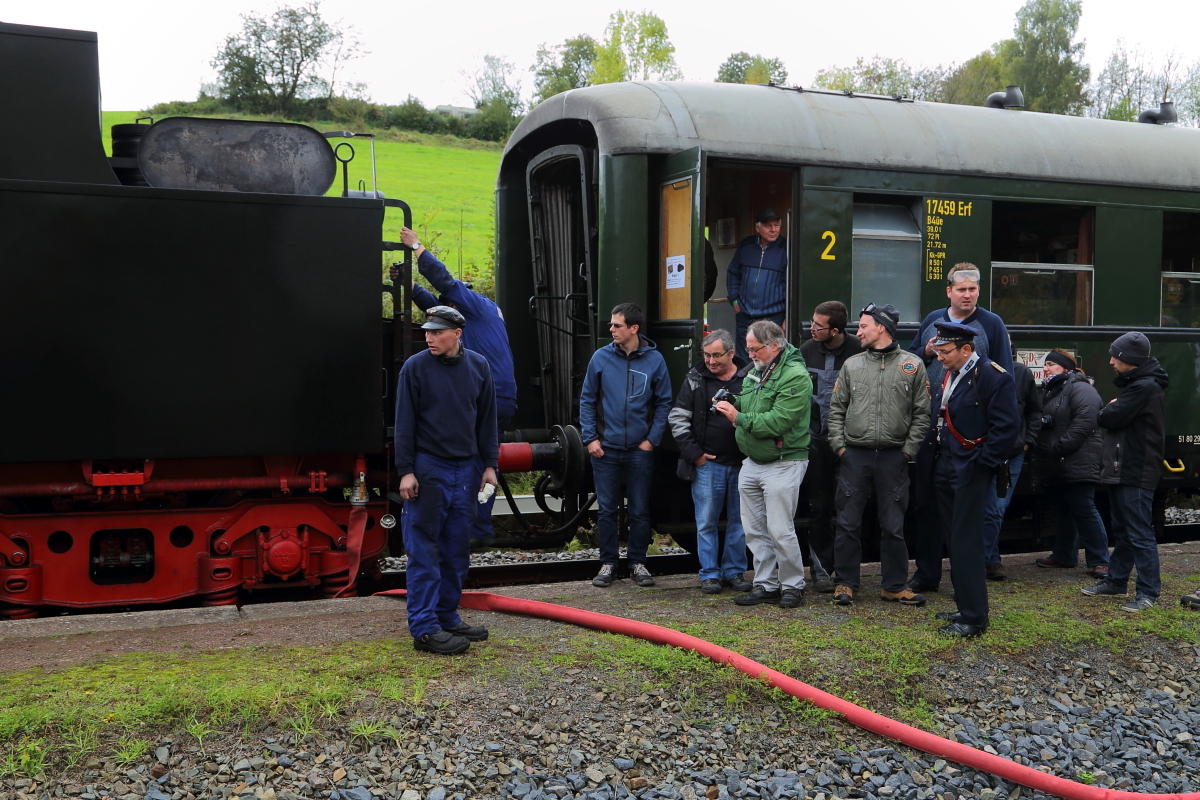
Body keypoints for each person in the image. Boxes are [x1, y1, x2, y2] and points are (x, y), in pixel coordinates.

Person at [397, 227, 517, 542]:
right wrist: (409, 287)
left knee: (469, 460)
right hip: (497, 393)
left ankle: (468, 530)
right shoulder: (481, 313)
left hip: (486, 392)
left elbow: (444, 284)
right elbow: (436, 308)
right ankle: (474, 530)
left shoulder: (476, 305)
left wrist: (417, 247)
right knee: (479, 460)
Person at [394, 306, 499, 655]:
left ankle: (445, 615)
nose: (428, 337)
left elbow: (486, 422)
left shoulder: (479, 367)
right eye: (427, 331)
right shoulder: (415, 368)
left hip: (465, 470)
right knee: (424, 549)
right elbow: (404, 423)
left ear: (457, 333)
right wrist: (406, 470)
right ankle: (424, 629)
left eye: (437, 331)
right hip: (429, 468)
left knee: (456, 549)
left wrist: (489, 465)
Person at [913, 321, 1018, 637]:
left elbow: (1006, 430)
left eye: (945, 351)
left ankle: (974, 618)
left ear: (966, 349)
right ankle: (964, 606)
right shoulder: (952, 372)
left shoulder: (993, 377)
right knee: (953, 538)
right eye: (939, 350)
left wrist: (981, 464)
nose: (939, 357)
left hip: (970, 469)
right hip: (944, 465)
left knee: (967, 543)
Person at [826, 304, 930, 607]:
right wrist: (840, 448)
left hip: (893, 457)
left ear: (881, 328)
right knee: (847, 522)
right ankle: (844, 583)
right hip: (854, 456)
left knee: (894, 524)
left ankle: (894, 585)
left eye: (863, 326)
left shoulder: (912, 365)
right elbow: (836, 410)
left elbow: (922, 414)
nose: (857, 332)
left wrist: (907, 451)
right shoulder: (852, 365)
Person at [714, 320, 812, 608]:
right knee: (755, 529)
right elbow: (750, 405)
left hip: (784, 461)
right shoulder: (758, 370)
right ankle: (766, 584)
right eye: (747, 348)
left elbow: (778, 421)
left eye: (754, 349)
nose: (750, 354)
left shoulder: (795, 375)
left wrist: (736, 417)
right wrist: (731, 403)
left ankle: (793, 586)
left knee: (781, 529)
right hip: (754, 461)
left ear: (773, 345)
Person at [579, 303, 673, 589]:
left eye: (617, 325)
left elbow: (664, 402)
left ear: (634, 328)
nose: (611, 329)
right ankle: (608, 563)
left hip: (638, 450)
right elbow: (586, 399)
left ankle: (637, 563)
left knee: (640, 509)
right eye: (611, 324)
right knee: (607, 509)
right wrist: (590, 438)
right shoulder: (601, 358)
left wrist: (651, 440)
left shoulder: (655, 360)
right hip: (605, 449)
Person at [1083, 332, 1169, 612]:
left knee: (1139, 532)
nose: (1110, 361)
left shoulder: (1143, 388)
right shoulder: (1139, 385)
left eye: (1115, 356)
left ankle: (1147, 593)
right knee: (1123, 529)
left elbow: (1108, 417)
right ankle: (1116, 581)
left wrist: (1111, 408)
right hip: (1126, 467)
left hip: (1135, 467)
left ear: (1129, 359)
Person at [669, 330, 753, 594]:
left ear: (731, 353)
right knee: (706, 521)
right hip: (708, 465)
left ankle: (735, 572)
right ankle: (709, 575)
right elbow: (677, 418)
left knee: (740, 522)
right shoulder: (695, 380)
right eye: (706, 355)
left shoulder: (750, 378)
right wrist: (696, 455)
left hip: (744, 464)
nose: (711, 361)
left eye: (717, 355)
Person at [799, 300, 864, 593]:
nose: (811, 328)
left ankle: (847, 572)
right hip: (816, 442)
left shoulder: (859, 351)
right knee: (819, 506)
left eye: (818, 325)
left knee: (849, 507)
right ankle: (821, 570)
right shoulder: (806, 350)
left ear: (836, 330)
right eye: (812, 322)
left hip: (851, 443)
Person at [1031, 349, 1110, 579]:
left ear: (1066, 368)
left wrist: (1059, 447)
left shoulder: (1081, 388)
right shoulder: (1054, 391)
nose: (1045, 368)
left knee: (1084, 509)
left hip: (1075, 459)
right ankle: (1064, 554)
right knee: (1061, 510)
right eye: (1045, 364)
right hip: (1057, 461)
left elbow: (1085, 422)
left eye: (1052, 364)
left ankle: (1101, 561)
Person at [981, 355, 1042, 580]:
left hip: (1012, 452)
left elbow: (1034, 410)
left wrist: (1028, 441)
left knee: (996, 507)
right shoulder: (975, 369)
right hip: (980, 450)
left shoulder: (1021, 372)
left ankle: (987, 560)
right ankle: (989, 559)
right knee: (979, 506)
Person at [910, 262, 1013, 386]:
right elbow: (910, 362)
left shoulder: (992, 323)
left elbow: (1005, 374)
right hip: (932, 403)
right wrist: (926, 352)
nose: (967, 295)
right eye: (961, 289)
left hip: (975, 403)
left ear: (978, 290)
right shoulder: (933, 320)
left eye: (972, 289)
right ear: (949, 291)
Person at [726, 208, 787, 360]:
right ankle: (746, 385)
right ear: (757, 227)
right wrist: (734, 299)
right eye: (768, 226)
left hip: (773, 316)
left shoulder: (787, 249)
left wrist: (786, 317)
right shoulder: (746, 246)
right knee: (744, 356)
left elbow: (793, 287)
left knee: (770, 357)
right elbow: (733, 273)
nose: (773, 230)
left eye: (777, 225)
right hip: (744, 314)